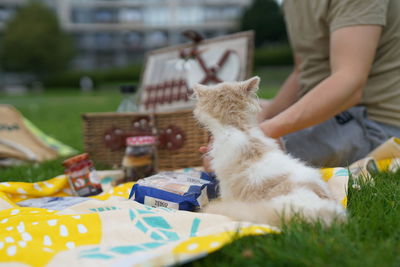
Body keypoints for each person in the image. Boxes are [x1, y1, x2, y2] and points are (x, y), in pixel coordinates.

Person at [201, 0, 400, 169]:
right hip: (330, 114)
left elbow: (350, 82)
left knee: (245, 159)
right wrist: (262, 114)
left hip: (373, 123)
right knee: (232, 123)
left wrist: (264, 132)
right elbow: (303, 71)